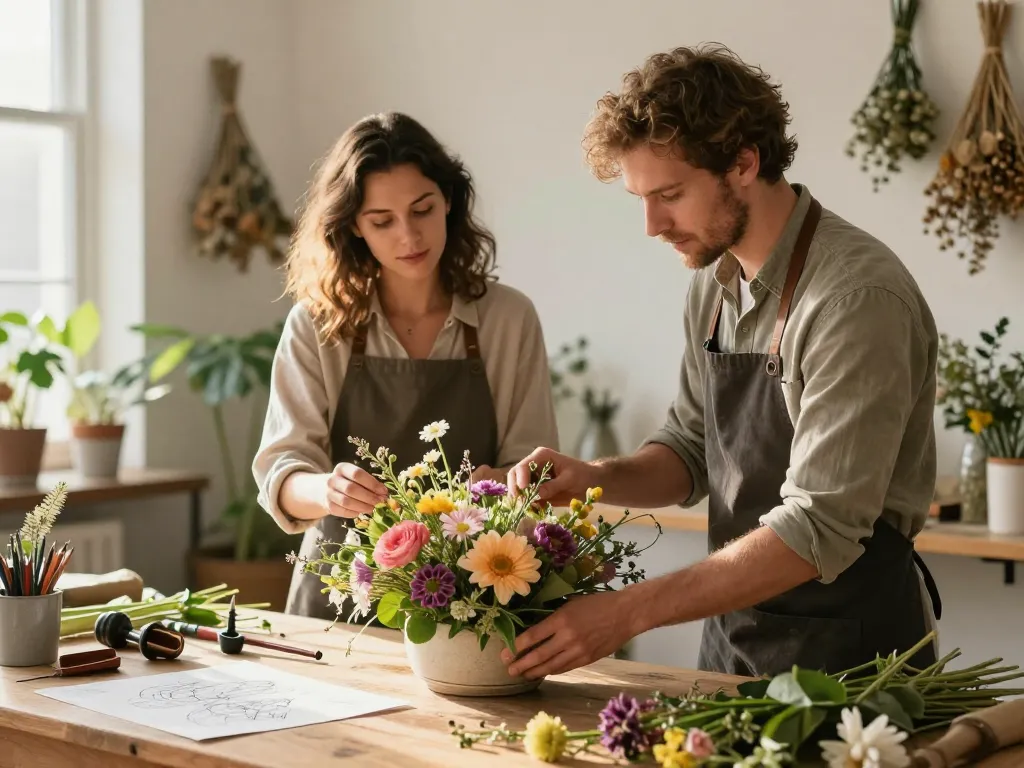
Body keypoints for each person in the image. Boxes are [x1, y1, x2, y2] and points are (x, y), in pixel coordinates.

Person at [503, 44, 943, 680]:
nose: (653, 224)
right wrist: (593, 476)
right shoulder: (715, 282)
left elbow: (819, 526)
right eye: (640, 198)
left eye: (671, 194)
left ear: (743, 163)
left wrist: (626, 613)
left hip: (852, 666)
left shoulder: (854, 299)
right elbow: (689, 451)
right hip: (731, 650)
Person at [253, 112, 559, 620]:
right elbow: (281, 475)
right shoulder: (316, 324)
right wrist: (328, 489)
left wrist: (500, 484)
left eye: (423, 210)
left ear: (449, 203)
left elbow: (538, 468)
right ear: (353, 226)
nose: (409, 236)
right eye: (382, 221)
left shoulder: (508, 319)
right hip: (341, 596)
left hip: (471, 598)